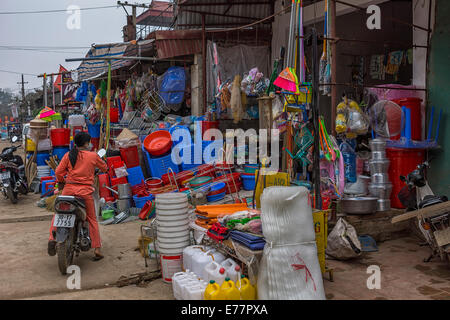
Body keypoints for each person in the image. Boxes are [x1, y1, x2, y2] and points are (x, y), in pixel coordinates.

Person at [48, 131, 108, 261]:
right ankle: (97, 248)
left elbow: (58, 172)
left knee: (58, 213)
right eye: (89, 142)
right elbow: (104, 168)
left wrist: (62, 181)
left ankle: (52, 238)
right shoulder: (92, 156)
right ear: (86, 143)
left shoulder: (69, 155)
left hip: (68, 191)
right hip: (85, 193)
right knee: (92, 219)